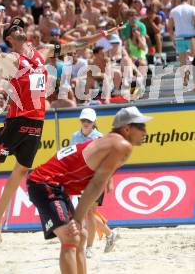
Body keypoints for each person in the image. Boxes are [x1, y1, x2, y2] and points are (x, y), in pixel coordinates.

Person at [0, 12, 120, 242]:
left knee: (20, 172)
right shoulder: (9, 59)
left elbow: (75, 45)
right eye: (15, 29)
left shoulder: (42, 53)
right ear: (9, 38)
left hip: (37, 122)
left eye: (21, 27)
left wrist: (100, 36)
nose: (21, 30)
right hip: (18, 121)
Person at [27, 106, 153, 274]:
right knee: (72, 237)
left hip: (55, 184)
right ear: (127, 129)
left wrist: (78, 219)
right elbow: (96, 184)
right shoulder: (121, 145)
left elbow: (95, 182)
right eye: (141, 127)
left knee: (82, 236)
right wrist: (78, 218)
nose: (145, 131)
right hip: (45, 183)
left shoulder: (108, 140)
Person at [70, 108, 117, 258]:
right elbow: (72, 158)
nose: (85, 123)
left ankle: (90, 247)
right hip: (81, 179)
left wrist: (110, 180)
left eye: (89, 121)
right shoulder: (75, 137)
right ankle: (110, 234)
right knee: (88, 213)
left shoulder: (99, 138)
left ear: (94, 122)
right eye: (83, 120)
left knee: (89, 213)